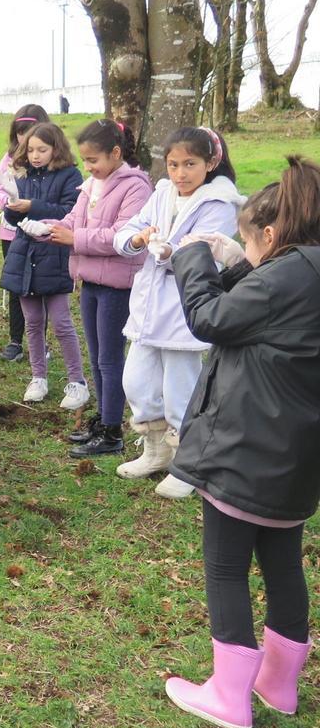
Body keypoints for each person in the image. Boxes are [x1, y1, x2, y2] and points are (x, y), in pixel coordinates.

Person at [161, 159, 320, 728]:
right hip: (297, 455)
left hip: (247, 446)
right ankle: (278, 684)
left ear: (270, 236)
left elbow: (210, 319)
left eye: (249, 243)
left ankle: (229, 696)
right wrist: (239, 263)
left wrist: (192, 259)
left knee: (226, 566)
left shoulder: (281, 278)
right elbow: (259, 308)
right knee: (283, 563)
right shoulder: (307, 270)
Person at [112, 127, 242, 498]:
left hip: (186, 306)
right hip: (148, 306)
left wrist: (169, 252)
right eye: (173, 164)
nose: (180, 173)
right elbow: (132, 228)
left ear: (210, 163)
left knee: (180, 389)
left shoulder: (220, 203)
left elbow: (207, 254)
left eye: (190, 164)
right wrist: (136, 239)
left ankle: (187, 465)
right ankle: (156, 452)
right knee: (136, 381)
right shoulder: (162, 192)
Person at [44, 120, 151, 456]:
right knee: (96, 356)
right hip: (90, 279)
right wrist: (50, 227)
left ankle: (112, 430)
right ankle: (103, 418)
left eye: (93, 160)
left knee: (110, 358)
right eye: (85, 160)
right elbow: (74, 220)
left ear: (116, 153)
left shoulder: (136, 188)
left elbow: (121, 236)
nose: (88, 167)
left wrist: (74, 238)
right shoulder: (92, 184)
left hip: (117, 285)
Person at [0, 122, 89, 411]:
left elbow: (70, 211)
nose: (35, 156)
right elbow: (14, 220)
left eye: (42, 150)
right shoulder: (24, 175)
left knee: (61, 322)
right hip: (24, 256)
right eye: (31, 150)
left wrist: (32, 206)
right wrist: (13, 205)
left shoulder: (70, 175)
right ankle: (38, 377)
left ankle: (77, 381)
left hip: (55, 254)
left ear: (56, 149)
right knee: (33, 321)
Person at [0, 105, 50, 361]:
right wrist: (10, 202)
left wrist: (33, 206)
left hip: (41, 234)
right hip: (12, 234)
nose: (24, 137)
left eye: (30, 130)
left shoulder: (51, 162)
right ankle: (15, 340)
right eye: (20, 131)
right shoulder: (9, 159)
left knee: (41, 287)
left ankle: (40, 342)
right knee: (16, 286)